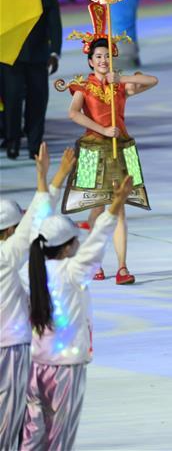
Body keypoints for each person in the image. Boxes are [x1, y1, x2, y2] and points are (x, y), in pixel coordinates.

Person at [20, 176, 133, 450]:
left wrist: (49, 183)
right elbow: (97, 242)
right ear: (69, 246)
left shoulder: (26, 271)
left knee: (31, 433)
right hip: (65, 367)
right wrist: (116, 204)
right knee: (59, 435)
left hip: (33, 363)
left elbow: (37, 224)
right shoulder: (72, 272)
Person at [56, 3, 158, 285]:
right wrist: (102, 127)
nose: (102, 60)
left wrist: (120, 77)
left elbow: (152, 80)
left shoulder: (118, 85)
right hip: (92, 150)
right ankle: (96, 262)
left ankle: (123, 267)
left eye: (106, 56)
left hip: (120, 149)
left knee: (120, 208)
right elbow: (73, 113)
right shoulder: (83, 87)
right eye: (97, 56)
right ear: (90, 60)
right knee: (97, 208)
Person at [0, 143, 74, 451]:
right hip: (10, 348)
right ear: (9, 229)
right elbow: (36, 220)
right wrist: (51, 177)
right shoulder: (7, 255)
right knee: (10, 414)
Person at [2, 0, 61, 160]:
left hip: (37, 55)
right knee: (12, 101)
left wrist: (54, 53)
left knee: (38, 100)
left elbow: (53, 22)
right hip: (10, 55)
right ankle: (12, 142)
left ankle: (35, 145)